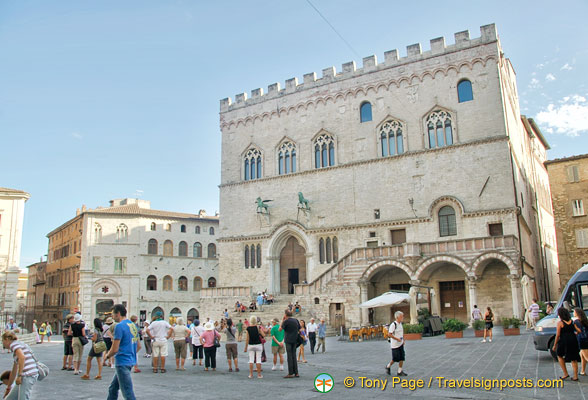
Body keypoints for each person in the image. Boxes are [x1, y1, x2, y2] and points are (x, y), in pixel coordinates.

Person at [106, 304, 140, 400]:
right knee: (113, 388)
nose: (112, 317)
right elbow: (139, 346)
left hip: (122, 361)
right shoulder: (132, 325)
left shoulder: (119, 326)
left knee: (127, 392)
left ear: (118, 314)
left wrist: (107, 356)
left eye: (113, 314)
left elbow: (115, 348)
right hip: (130, 360)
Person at [1, 331, 38, 400]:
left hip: (28, 375)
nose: (2, 343)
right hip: (27, 375)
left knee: (23, 398)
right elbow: (14, 370)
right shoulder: (19, 345)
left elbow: (22, 357)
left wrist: (19, 376)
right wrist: (8, 387)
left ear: (7, 339)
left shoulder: (13, 345)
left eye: (2, 341)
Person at [553, 307, 581, 381]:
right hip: (573, 340)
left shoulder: (560, 323)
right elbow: (579, 330)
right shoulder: (572, 321)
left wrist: (555, 345)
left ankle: (565, 373)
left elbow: (558, 335)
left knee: (559, 355)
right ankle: (575, 376)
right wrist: (576, 333)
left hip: (564, 341)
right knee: (574, 358)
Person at [280, 309, 300, 378]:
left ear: (285, 315)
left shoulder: (286, 321)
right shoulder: (296, 320)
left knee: (289, 356)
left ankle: (290, 373)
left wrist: (283, 320)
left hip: (288, 340)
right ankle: (296, 372)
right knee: (294, 355)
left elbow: (280, 329)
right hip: (295, 339)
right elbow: (299, 329)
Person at [386, 311, 407, 376]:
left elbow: (401, 333)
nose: (402, 317)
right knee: (395, 358)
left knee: (402, 357)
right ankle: (388, 366)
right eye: (401, 316)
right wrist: (396, 339)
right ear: (397, 317)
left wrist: (403, 340)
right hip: (395, 345)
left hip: (400, 344)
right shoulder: (393, 325)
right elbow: (389, 334)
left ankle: (399, 371)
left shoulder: (400, 324)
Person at [573, 307, 588, 376]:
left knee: (586, 357)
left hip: (581, 340)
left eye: (574, 312)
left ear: (577, 313)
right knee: (582, 356)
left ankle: (582, 371)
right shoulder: (585, 320)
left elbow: (578, 331)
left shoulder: (576, 322)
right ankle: (582, 371)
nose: (573, 313)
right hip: (586, 339)